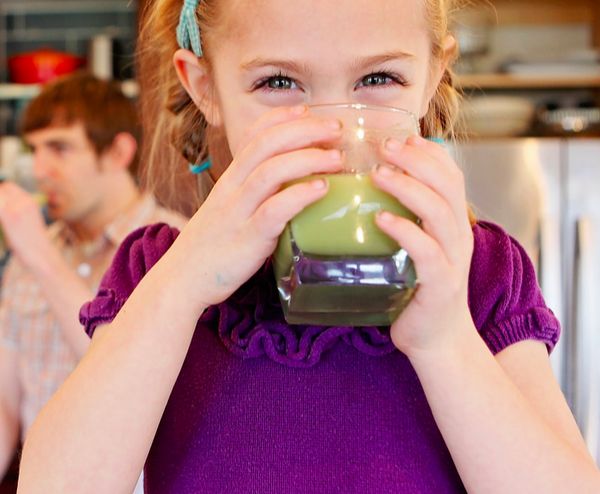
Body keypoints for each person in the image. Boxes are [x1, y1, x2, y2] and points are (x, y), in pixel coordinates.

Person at [17, 0, 600, 492]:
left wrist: (445, 339)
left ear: (432, 76)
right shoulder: (158, 274)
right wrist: (183, 283)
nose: (337, 133)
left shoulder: (477, 274)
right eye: (277, 82)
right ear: (206, 89)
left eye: (378, 80)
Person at [0, 72, 187, 485]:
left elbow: (122, 371)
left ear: (119, 151)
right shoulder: (28, 258)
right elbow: (5, 403)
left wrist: (38, 255)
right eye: (34, 149)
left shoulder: (177, 251)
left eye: (59, 148)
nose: (39, 169)